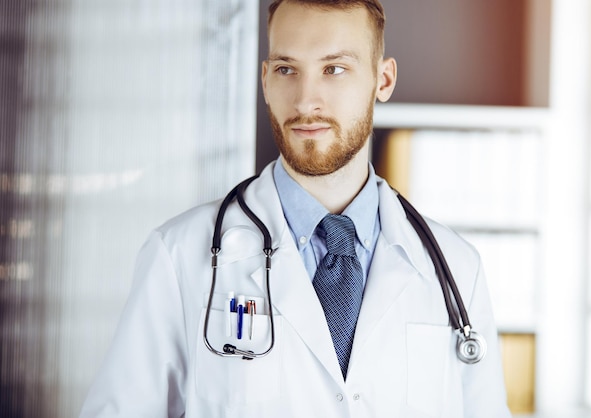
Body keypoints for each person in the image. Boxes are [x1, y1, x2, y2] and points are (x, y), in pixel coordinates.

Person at [80, 0, 512, 417]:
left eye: (334, 69)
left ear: (383, 80)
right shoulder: (178, 256)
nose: (307, 101)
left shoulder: (456, 268)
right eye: (288, 69)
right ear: (266, 80)